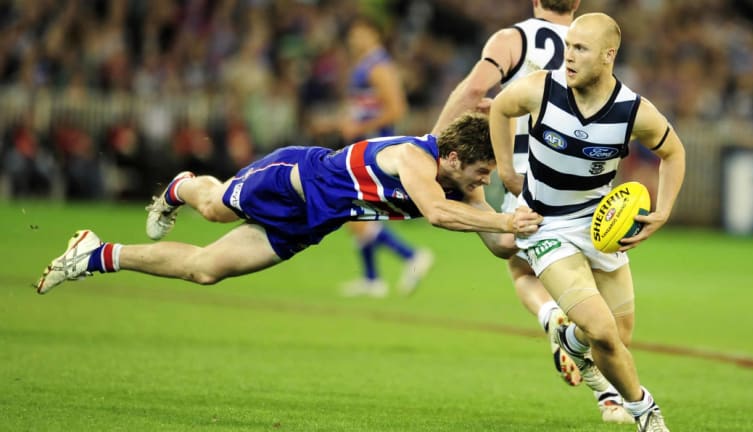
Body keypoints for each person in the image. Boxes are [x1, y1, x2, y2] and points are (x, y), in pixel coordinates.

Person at [35, 113, 543, 297]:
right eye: (482, 171)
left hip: (311, 221)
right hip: (292, 181)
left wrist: (536, 231)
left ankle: (95, 254)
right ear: (453, 157)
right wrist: (505, 217)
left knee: (206, 271)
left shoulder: (464, 187)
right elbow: (435, 214)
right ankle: (181, 186)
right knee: (212, 207)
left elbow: (499, 243)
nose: (486, 180)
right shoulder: (415, 158)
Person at [433, 0, 634, 424]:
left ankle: (554, 320)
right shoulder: (593, 45)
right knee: (602, 298)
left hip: (529, 176)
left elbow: (472, 91)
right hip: (585, 185)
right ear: (576, 4)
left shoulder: (515, 39)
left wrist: (430, 145)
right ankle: (612, 396)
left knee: (521, 268)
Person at [489, 13, 685, 432]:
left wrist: (664, 210)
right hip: (545, 225)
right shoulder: (542, 88)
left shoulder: (633, 111)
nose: (569, 56)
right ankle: (647, 414)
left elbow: (674, 153)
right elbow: (500, 109)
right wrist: (506, 170)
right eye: (568, 46)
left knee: (618, 337)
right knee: (602, 330)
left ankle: (569, 339)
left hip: (599, 225)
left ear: (608, 55)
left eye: (580, 48)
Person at [339, 16, 433, 298]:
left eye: (360, 32)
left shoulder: (379, 66)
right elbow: (366, 106)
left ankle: (410, 256)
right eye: (353, 33)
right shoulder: (365, 65)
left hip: (374, 149)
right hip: (366, 146)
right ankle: (372, 279)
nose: (354, 38)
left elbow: (396, 109)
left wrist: (360, 128)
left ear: (374, 35)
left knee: (353, 210)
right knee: (358, 213)